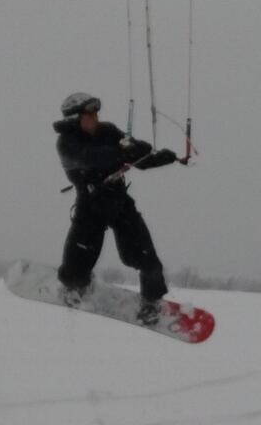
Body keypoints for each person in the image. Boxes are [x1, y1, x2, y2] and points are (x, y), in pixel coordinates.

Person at [52, 91, 181, 320]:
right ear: (75, 118)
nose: (96, 117)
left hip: (119, 202)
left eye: (96, 112)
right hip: (89, 206)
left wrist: (160, 157)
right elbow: (91, 157)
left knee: (147, 260)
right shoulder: (66, 142)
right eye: (90, 114)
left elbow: (137, 155)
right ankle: (73, 289)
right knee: (75, 269)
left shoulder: (108, 131)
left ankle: (152, 303)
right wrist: (123, 151)